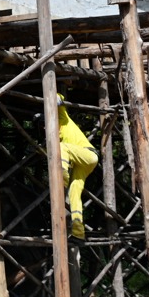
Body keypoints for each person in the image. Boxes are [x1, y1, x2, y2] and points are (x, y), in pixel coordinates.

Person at [56, 96, 99, 240]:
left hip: (89, 155)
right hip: (83, 164)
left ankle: (62, 177)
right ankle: (78, 233)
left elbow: (59, 99)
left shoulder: (62, 119)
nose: (42, 127)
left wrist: (57, 98)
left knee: (61, 148)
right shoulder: (56, 137)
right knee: (74, 194)